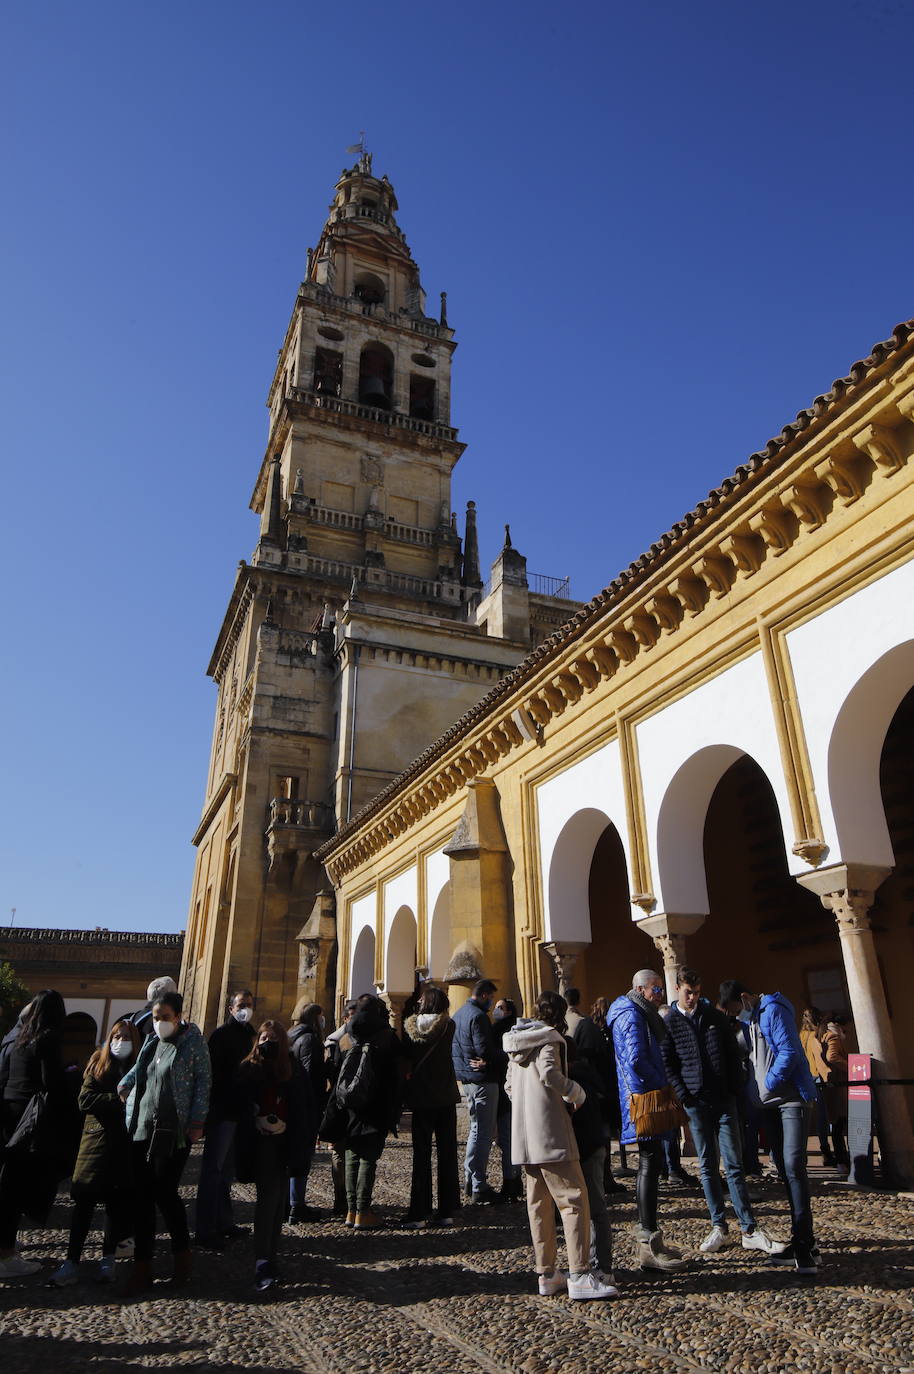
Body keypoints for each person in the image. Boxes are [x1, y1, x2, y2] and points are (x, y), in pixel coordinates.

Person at [661, 968, 786, 1256]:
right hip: (696, 1101)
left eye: (696, 992)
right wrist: (684, 1093)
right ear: (678, 989)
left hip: (724, 1099)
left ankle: (748, 1227)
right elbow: (668, 1062)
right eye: (687, 992)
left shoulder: (716, 1018)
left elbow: (733, 1055)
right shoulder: (670, 1023)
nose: (692, 997)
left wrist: (735, 1088)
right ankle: (719, 1224)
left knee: (734, 1163)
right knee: (707, 1165)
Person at [504, 990, 615, 1300]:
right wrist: (575, 1093)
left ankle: (547, 1273)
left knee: (538, 1206)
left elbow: (510, 1086)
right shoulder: (549, 1038)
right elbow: (551, 1074)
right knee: (574, 1200)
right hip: (551, 1133)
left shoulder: (516, 1042)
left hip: (525, 1138)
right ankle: (580, 1274)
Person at [119, 990, 211, 1295]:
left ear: (179, 1016)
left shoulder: (193, 1042)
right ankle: (142, 1269)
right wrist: (124, 1086)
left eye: (165, 1018)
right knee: (141, 1198)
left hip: (174, 1130)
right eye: (156, 1018)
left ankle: (182, 1259)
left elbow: (203, 1081)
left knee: (165, 1194)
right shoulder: (152, 1041)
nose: (159, 1023)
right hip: (142, 1126)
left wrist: (197, 1121)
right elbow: (137, 1071)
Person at [48, 1019, 142, 1287]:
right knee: (84, 1207)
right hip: (95, 1145)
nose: (120, 1041)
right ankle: (71, 1261)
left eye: (125, 1037)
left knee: (115, 1206)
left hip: (123, 1146)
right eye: (116, 1035)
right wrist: (119, 1099)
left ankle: (107, 1260)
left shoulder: (138, 1069)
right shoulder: (98, 1066)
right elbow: (84, 1100)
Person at [736, 980, 819, 1274]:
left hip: (791, 1098)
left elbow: (790, 1052)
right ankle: (805, 1240)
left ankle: (804, 1244)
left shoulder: (773, 1010)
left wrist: (768, 1084)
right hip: (768, 1105)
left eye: (738, 1011)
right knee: (785, 1168)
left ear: (746, 998)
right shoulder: (751, 1020)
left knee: (795, 1165)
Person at [607, 970, 687, 1272]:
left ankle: (651, 1236)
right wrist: (660, 1086)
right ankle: (647, 1237)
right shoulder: (631, 1015)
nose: (660, 995)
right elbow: (635, 1059)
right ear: (640, 989)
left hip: (644, 1095)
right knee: (649, 1163)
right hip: (643, 1100)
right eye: (656, 989)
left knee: (651, 1164)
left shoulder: (639, 1013)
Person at [233, 1020, 311, 1294]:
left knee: (277, 1202)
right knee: (268, 1200)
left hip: (284, 1143)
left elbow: (302, 1107)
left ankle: (271, 1257)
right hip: (261, 1144)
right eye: (264, 1037)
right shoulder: (249, 1068)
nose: (267, 1042)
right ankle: (262, 1260)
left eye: (273, 1039)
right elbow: (241, 1105)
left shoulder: (291, 1068)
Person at [0, 990, 72, 1278]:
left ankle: (6, 1248)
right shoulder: (47, 1040)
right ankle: (5, 1256)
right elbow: (51, 1084)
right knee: (15, 1191)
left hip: (10, 1120)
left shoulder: (17, 1040)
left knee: (7, 1186)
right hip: (30, 1125)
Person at [194, 989, 257, 1248]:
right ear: (231, 1008)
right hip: (223, 1111)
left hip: (241, 1112)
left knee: (226, 1171)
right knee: (213, 1171)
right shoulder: (221, 1035)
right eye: (241, 1004)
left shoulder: (251, 1035)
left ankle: (224, 1222)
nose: (245, 1008)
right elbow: (211, 1076)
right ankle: (205, 1229)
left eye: (249, 1004)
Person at [336, 995, 401, 1229]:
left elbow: (336, 1070)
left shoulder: (346, 1038)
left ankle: (351, 1211)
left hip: (351, 1105)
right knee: (368, 1158)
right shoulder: (385, 1036)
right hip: (377, 1104)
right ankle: (363, 1210)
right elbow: (396, 1071)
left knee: (352, 1156)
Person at [400, 985, 461, 1228]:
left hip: (421, 1097)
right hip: (445, 1096)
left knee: (421, 1155)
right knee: (447, 1154)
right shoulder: (448, 1026)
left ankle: (419, 1211)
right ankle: (447, 1210)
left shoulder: (408, 1029)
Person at [451, 978, 505, 1205]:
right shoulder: (478, 1016)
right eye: (490, 998)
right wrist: (502, 1056)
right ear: (483, 995)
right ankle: (478, 1182)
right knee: (482, 1132)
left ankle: (469, 1177)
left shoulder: (459, 1014)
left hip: (467, 1078)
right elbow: (485, 1050)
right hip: (483, 1080)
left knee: (476, 1129)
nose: (492, 1003)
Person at [566, 1039, 615, 1286]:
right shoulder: (585, 1076)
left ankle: (602, 1266)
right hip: (594, 1146)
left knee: (595, 1209)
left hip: (588, 1149)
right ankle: (594, 1262)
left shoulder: (576, 1083)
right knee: (592, 1209)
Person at [287, 1001, 327, 1221]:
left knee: (290, 1154)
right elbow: (311, 1075)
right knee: (302, 1156)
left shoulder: (290, 1035)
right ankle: (297, 1205)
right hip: (305, 1106)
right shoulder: (310, 1039)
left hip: (290, 1104)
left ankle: (286, 1203)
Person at [325, 999, 357, 1216]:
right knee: (338, 1151)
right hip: (337, 1102)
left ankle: (353, 1198)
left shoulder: (363, 1040)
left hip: (354, 1104)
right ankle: (340, 1198)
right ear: (345, 1018)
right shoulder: (336, 1042)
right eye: (352, 1015)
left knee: (353, 1152)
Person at [492, 997, 523, 1201]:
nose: (496, 1010)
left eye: (500, 1007)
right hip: (512, 1091)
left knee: (508, 1138)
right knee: (510, 1137)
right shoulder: (517, 1031)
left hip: (505, 1092)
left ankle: (511, 1181)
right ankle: (514, 1180)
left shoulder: (500, 1032)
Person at [800, 1007, 836, 1167]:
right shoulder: (818, 1035)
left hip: (806, 1078)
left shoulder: (801, 1036)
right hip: (819, 1077)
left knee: (805, 1117)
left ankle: (802, 1153)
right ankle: (826, 1150)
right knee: (825, 1115)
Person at [821, 1014, 850, 1174]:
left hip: (830, 1084)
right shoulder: (834, 1036)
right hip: (838, 1084)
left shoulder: (824, 1034)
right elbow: (832, 1056)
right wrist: (851, 1067)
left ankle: (841, 1159)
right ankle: (843, 1159)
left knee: (836, 1124)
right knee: (840, 1124)